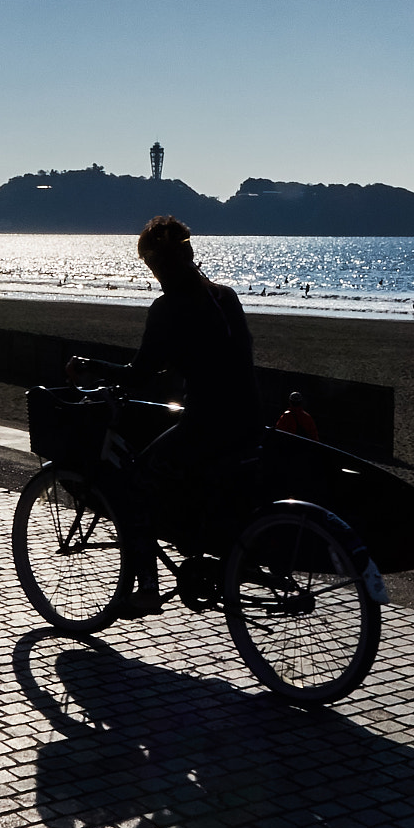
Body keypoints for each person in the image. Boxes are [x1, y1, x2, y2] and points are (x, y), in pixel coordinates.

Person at [68, 215, 260, 616]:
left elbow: (141, 373)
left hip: (207, 421)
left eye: (151, 266)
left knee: (135, 484)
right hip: (249, 416)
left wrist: (95, 366)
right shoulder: (224, 296)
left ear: (158, 265)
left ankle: (147, 590)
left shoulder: (169, 307)